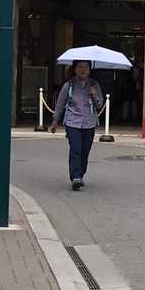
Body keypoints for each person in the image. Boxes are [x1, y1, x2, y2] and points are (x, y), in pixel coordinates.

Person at [50, 61, 104, 192]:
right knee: (76, 148)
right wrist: (55, 122)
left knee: (85, 150)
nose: (83, 69)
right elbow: (60, 104)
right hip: (72, 122)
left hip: (89, 122)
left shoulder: (94, 84)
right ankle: (75, 177)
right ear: (74, 69)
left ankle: (80, 173)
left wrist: (94, 95)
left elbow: (99, 105)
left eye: (85, 67)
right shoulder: (68, 86)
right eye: (79, 67)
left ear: (89, 69)